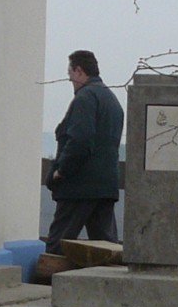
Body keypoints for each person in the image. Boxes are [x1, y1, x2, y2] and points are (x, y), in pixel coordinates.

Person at [45, 49, 123, 253]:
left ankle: (51, 284)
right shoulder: (112, 101)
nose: (71, 81)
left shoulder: (85, 99)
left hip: (78, 188)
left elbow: (80, 141)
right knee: (107, 250)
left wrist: (60, 171)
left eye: (70, 75)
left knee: (57, 246)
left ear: (79, 71)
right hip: (105, 188)